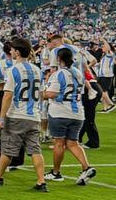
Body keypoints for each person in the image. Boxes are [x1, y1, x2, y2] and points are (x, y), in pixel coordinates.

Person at [0, 38, 47, 191]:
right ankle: (41, 181)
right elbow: (42, 94)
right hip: (34, 115)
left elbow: (8, 95)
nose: (10, 51)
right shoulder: (37, 70)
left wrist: (1, 117)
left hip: (17, 114)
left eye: (12, 49)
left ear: (17, 52)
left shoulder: (13, 70)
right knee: (35, 150)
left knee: (8, 149)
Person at [42, 47, 97, 185]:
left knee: (59, 143)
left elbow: (52, 94)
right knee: (73, 143)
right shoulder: (78, 73)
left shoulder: (59, 74)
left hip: (60, 112)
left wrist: (42, 93)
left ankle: (56, 172)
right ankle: (86, 167)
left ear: (59, 59)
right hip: (77, 112)